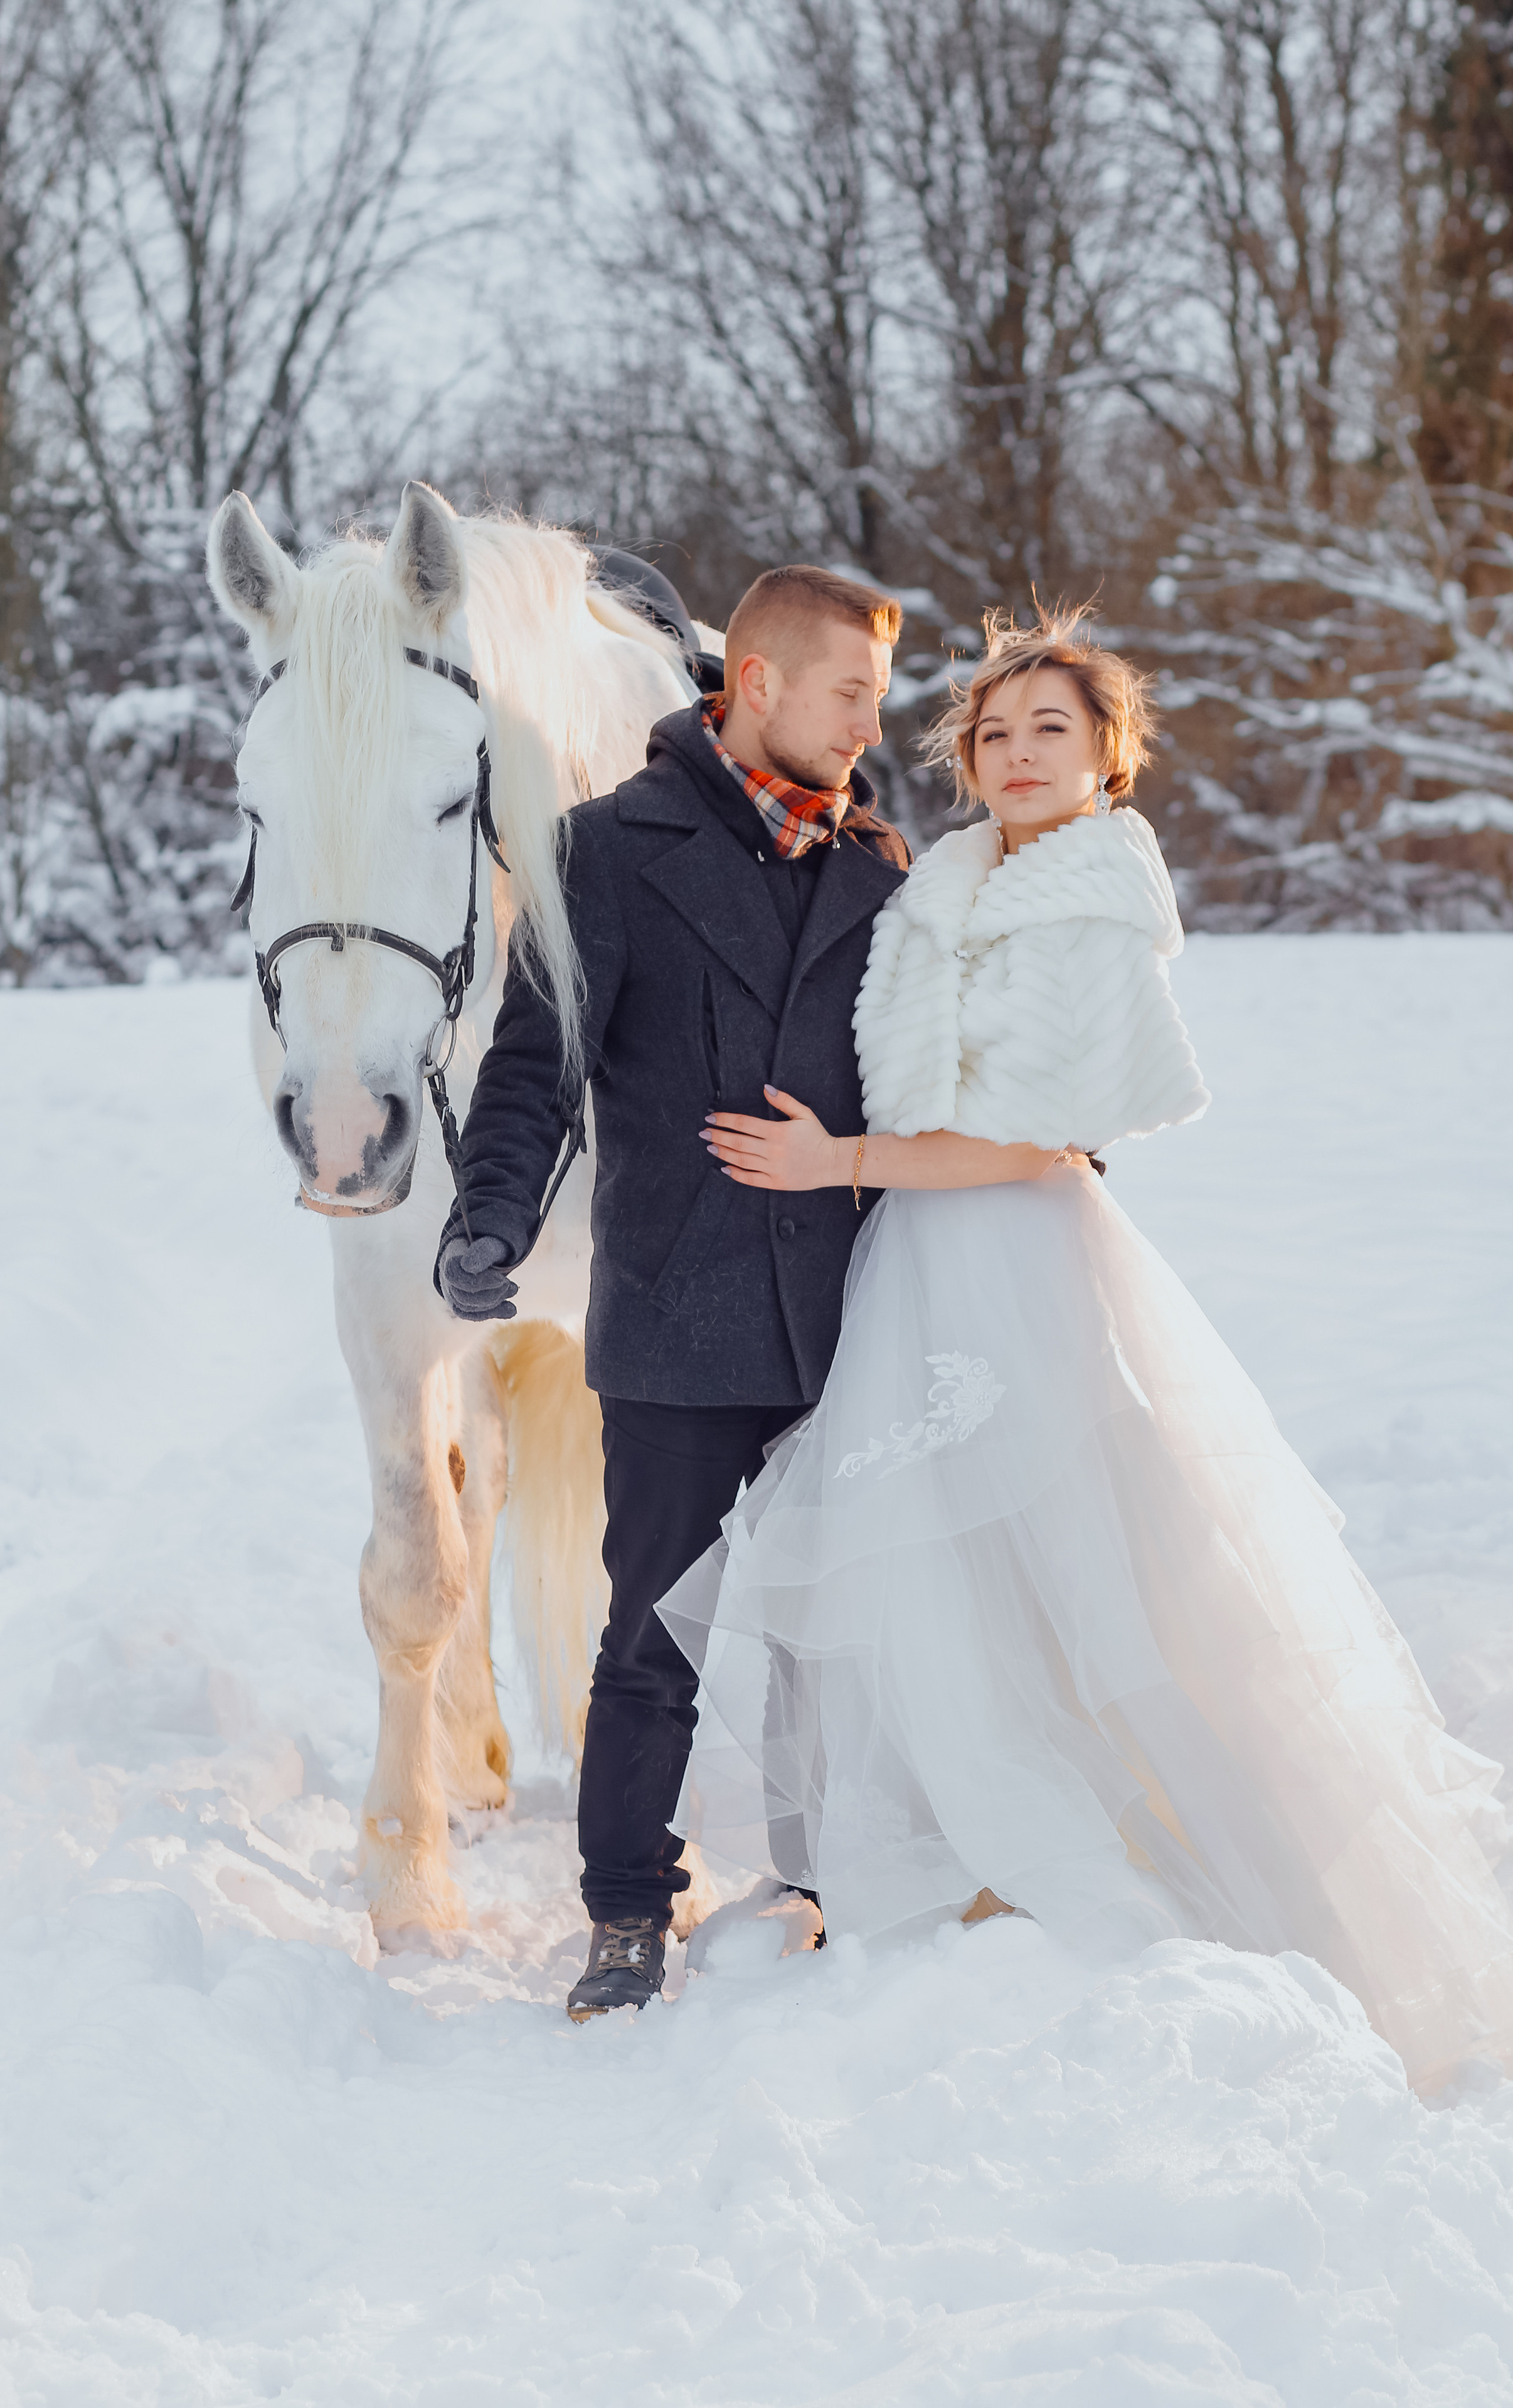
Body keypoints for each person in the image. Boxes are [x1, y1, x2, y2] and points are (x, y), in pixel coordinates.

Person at [657, 606, 1513, 2092]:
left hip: (1011, 1253)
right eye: (995, 733)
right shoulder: (944, 885)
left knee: (1070, 1547)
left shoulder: (1085, 908)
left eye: (1051, 733)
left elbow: (1037, 1142)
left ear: (1108, 757)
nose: (1017, 756)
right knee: (941, 1565)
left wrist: (841, 1164)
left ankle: (1094, 1855)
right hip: (917, 1258)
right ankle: (959, 1859)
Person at [434, 564, 911, 2020]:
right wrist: (487, 1219)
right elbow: (533, 1069)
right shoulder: (602, 852)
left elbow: (936, 1061)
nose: (868, 723)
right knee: (652, 1633)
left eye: (876, 697)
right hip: (676, 1316)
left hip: (852, 1316)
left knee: (846, 1623)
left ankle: (836, 1876)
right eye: (848, 693)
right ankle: (627, 1912)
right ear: (754, 683)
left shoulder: (881, 866)